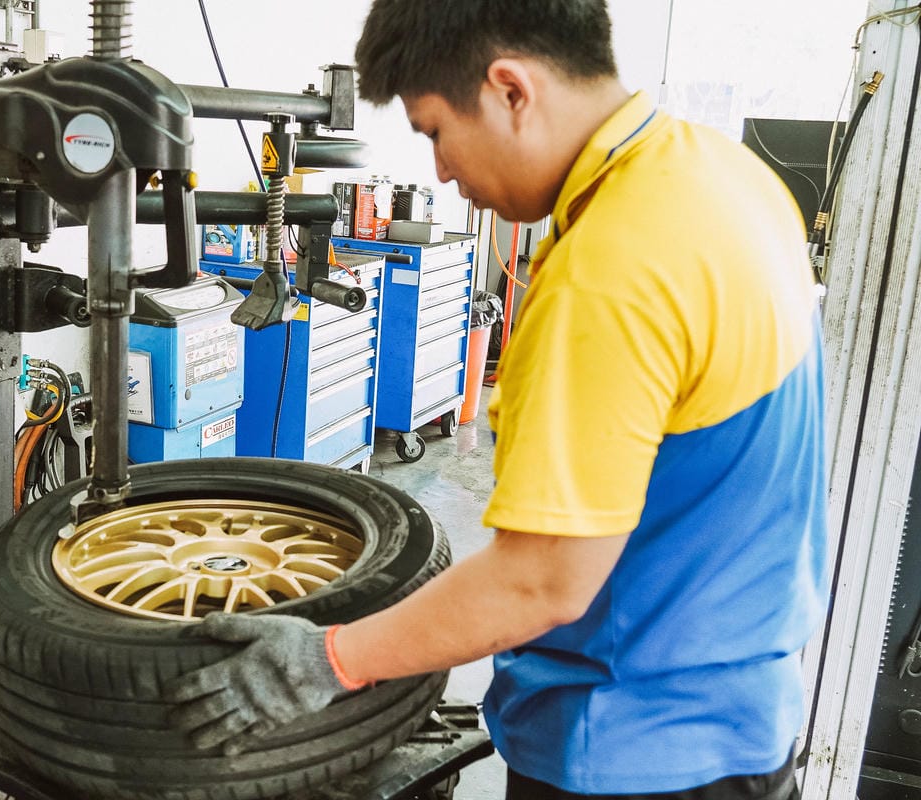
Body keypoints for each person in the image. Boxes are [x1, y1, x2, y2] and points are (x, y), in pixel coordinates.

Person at [165, 2, 828, 798]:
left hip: (631, 749)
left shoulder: (611, 266)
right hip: (745, 716)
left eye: (436, 132)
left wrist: (330, 658)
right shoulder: (722, 176)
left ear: (511, 90)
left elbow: (542, 581)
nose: (442, 171)